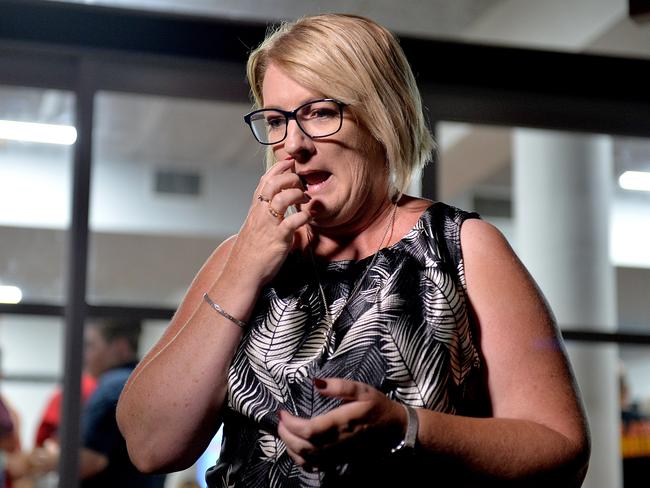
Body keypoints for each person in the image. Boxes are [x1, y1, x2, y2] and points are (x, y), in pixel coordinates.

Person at [116, 13, 590, 487]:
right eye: (277, 120)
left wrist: (408, 427)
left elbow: (560, 449)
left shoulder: (462, 247)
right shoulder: (239, 255)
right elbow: (151, 446)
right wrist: (244, 270)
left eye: (320, 112)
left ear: (382, 115)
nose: (293, 145)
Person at [31, 319, 165, 488]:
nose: (85, 355)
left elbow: (91, 460)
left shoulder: (111, 387)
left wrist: (53, 458)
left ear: (120, 347)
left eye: (91, 345)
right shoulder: (151, 382)